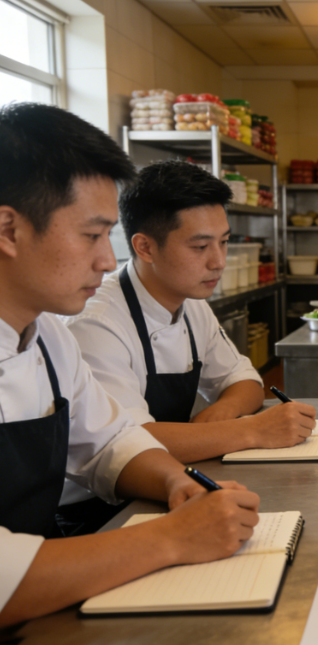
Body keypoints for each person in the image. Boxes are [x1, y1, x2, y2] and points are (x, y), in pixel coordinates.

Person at [0, 103, 260, 627]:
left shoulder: (49, 336)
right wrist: (172, 537)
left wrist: (176, 483)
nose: (105, 260)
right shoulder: (90, 321)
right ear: (8, 229)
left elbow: (110, 442)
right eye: (91, 235)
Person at [67, 161, 316, 468]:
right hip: (101, 496)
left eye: (224, 242)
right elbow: (128, 443)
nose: (219, 261)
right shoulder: (97, 324)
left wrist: (221, 414)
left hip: (170, 474)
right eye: (200, 246)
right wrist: (253, 430)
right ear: (145, 247)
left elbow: (245, 381)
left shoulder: (192, 305)